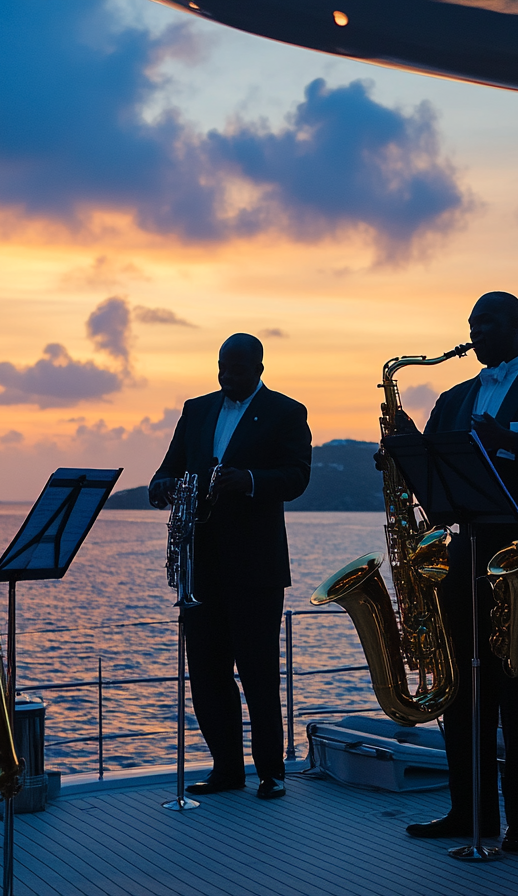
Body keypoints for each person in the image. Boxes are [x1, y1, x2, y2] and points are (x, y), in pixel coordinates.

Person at [398, 291, 518, 853]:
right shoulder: (452, 396)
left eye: (487, 322)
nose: (476, 333)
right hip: (461, 560)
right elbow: (435, 476)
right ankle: (469, 812)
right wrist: (403, 449)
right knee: (460, 692)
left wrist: (506, 440)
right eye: (471, 324)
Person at [148, 333, 311, 801]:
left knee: (258, 672)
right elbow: (171, 467)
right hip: (199, 565)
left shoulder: (286, 411)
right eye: (223, 367)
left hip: (255, 568)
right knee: (206, 670)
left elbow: (298, 477)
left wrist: (251, 481)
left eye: (238, 369)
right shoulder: (196, 409)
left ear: (259, 367)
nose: (228, 377)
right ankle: (226, 768)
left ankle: (271, 772)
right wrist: (160, 486)